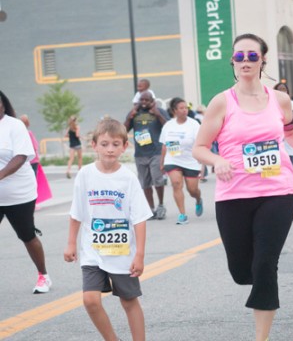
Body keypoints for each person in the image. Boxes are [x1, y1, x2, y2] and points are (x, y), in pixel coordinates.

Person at [192, 33, 293, 341]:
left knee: (265, 263)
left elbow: (291, 133)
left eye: (252, 56)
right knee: (242, 271)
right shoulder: (222, 102)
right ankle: (257, 280)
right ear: (232, 62)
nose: (246, 61)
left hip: (279, 191)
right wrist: (216, 161)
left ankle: (260, 338)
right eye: (240, 56)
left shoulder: (279, 99)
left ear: (263, 59)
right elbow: (199, 147)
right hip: (234, 194)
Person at [64, 118, 152, 341]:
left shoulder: (129, 179)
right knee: (90, 300)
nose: (110, 149)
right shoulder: (85, 175)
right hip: (92, 249)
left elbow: (139, 218)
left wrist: (139, 255)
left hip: (122, 252)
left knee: (128, 300)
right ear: (94, 146)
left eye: (115, 144)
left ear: (125, 146)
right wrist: (71, 242)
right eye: (104, 144)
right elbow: (77, 212)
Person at [0, 90, 52, 293]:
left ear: (3, 104)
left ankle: (43, 276)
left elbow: (21, 156)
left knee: (26, 235)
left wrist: (1, 174)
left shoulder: (15, 125)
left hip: (19, 193)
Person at [125, 90, 170, 220]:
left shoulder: (159, 111)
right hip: (140, 154)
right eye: (141, 100)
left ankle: (161, 205)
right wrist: (130, 117)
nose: (143, 103)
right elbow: (123, 130)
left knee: (158, 180)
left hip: (155, 152)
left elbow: (169, 127)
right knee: (144, 183)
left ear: (152, 102)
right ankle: (150, 208)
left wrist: (157, 114)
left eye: (146, 100)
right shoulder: (134, 113)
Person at [159, 98, 203, 225]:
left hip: (191, 160)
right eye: (181, 108)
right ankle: (182, 215)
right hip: (173, 159)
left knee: (192, 190)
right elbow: (164, 145)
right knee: (176, 184)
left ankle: (198, 199)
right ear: (174, 111)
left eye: (186, 108)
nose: (185, 110)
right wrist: (161, 162)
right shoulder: (168, 125)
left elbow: (200, 144)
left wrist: (202, 163)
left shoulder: (194, 124)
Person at [274, 82, 293, 209]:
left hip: (291, 147)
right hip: (275, 148)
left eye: (284, 89)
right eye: (279, 90)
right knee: (275, 176)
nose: (282, 92)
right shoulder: (270, 104)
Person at [20, 114, 52, 207]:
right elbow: (35, 146)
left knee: (25, 182)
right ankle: (33, 204)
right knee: (33, 182)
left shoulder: (19, 133)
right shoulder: (28, 132)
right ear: (27, 123)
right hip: (33, 160)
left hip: (24, 161)